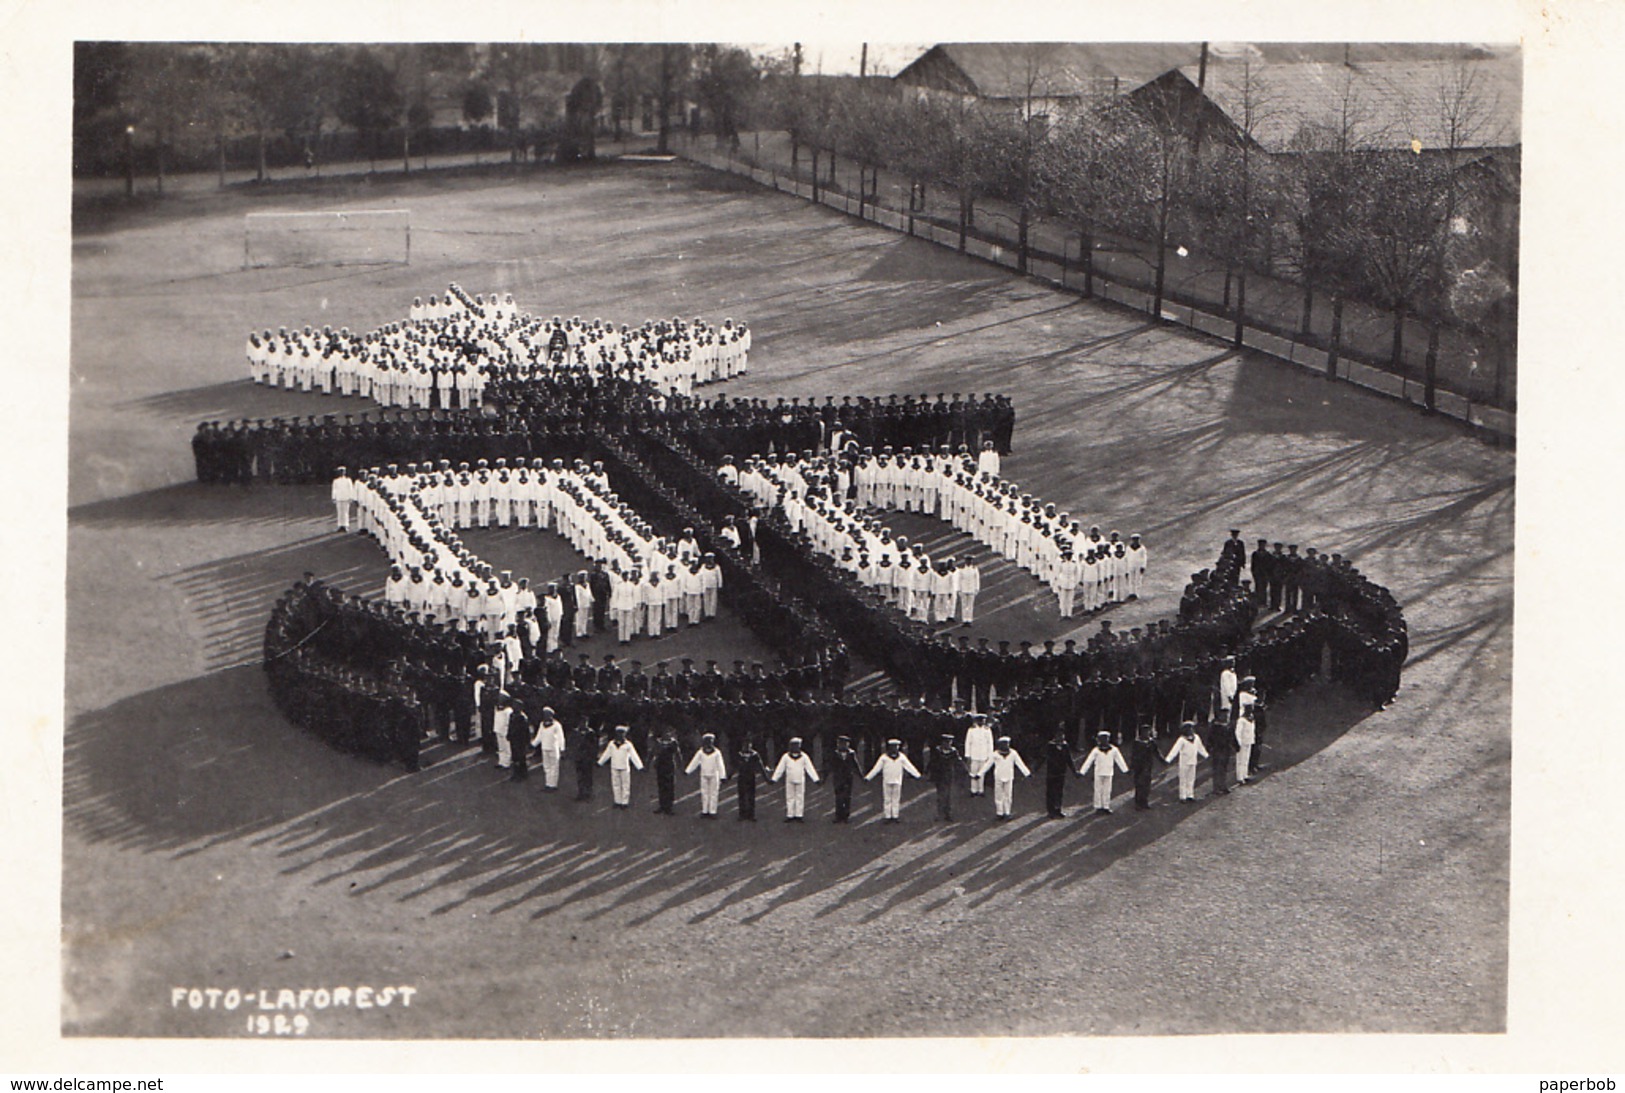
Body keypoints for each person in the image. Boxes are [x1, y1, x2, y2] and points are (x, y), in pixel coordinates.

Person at [865, 739, 922, 823]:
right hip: (887, 780)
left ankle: (895, 816)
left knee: (896, 798)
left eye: (896, 747)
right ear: (890, 747)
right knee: (887, 799)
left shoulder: (902, 757)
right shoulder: (884, 757)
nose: (895, 749)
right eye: (893, 747)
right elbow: (876, 768)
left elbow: (909, 766)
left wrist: (917, 775)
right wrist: (868, 777)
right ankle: (887, 816)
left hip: (897, 780)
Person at [1077, 731, 1129, 814]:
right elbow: (1088, 761)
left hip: (1109, 772)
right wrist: (1082, 772)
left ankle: (1106, 806)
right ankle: (1098, 806)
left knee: (1107, 790)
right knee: (1098, 790)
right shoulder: (1096, 750)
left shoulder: (1114, 750)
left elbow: (1120, 760)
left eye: (1106, 738)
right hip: (1098, 773)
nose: (1104, 741)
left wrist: (1125, 770)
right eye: (1102, 739)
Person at [980, 736, 1031, 820]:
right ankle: (999, 813)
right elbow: (988, 764)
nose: (1006, 745)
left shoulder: (1013, 753)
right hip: (998, 777)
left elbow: (1020, 763)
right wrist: (980, 773)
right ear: (1000, 745)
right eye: (1004, 744)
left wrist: (1027, 773)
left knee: (1008, 795)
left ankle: (1007, 812)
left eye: (1007, 744)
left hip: (1009, 776)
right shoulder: (995, 754)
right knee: (998, 795)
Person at [770, 737, 820, 822]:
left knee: (800, 797)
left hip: (800, 779)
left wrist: (816, 779)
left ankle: (799, 815)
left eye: (797, 745)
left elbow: (810, 768)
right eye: (793, 745)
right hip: (789, 780)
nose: (795, 747)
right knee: (790, 797)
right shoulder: (786, 757)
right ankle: (790, 815)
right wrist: (774, 778)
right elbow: (780, 768)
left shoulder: (804, 757)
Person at [597, 725, 644, 808]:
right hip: (614, 766)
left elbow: (634, 756)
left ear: (625, 734)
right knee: (615, 784)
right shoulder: (612, 744)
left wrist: (639, 766)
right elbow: (607, 754)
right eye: (619, 733)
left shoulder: (628, 745)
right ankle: (617, 801)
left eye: (622, 733)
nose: (620, 735)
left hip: (624, 767)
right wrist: (600, 762)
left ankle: (624, 802)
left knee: (625, 784)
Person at [684, 733, 727, 818]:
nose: (709, 743)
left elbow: (720, 765)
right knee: (704, 793)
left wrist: (722, 776)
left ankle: (712, 811)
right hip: (704, 775)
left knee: (714, 793)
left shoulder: (717, 753)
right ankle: (705, 810)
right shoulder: (700, 752)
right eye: (707, 741)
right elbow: (695, 762)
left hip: (714, 775)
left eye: (710, 741)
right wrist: (688, 771)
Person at [1164, 721, 1209, 802]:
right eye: (1189, 729)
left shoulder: (1196, 738)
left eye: (1192, 728)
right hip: (1184, 763)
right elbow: (1175, 750)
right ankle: (1182, 796)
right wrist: (1168, 759)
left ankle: (1190, 795)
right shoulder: (1181, 740)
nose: (1191, 730)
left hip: (1193, 761)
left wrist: (1206, 755)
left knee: (1191, 779)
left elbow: (1200, 748)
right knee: (1183, 779)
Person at [925, 733, 965, 822]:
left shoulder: (954, 751)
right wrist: (928, 772)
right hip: (939, 775)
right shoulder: (937, 751)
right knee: (940, 795)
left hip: (948, 775)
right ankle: (940, 813)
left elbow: (959, 762)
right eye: (946, 742)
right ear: (943, 742)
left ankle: (947, 814)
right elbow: (932, 761)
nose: (948, 744)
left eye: (950, 742)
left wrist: (965, 770)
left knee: (948, 795)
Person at [827, 735, 864, 823]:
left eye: (845, 743)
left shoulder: (851, 753)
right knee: (838, 797)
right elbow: (829, 766)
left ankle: (846, 815)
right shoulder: (835, 754)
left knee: (847, 797)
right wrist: (824, 777)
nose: (842, 745)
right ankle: (838, 816)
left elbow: (856, 765)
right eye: (840, 743)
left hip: (848, 778)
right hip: (838, 778)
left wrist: (861, 776)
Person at [529, 706, 565, 790]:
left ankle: (553, 785)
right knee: (546, 766)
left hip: (553, 748)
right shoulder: (542, 724)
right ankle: (548, 783)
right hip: (544, 748)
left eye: (547, 714)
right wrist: (533, 744)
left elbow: (561, 738)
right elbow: (539, 736)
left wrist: (562, 748)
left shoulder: (557, 725)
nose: (545, 716)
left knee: (554, 766)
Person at [734, 739, 770, 821]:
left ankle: (751, 814)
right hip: (742, 778)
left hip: (751, 777)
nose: (747, 747)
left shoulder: (755, 755)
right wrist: (728, 777)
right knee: (742, 796)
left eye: (748, 745)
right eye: (745, 746)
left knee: (751, 796)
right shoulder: (739, 755)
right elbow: (735, 767)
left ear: (751, 746)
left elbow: (761, 767)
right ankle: (742, 814)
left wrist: (766, 778)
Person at [1042, 729, 1072, 819]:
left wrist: (1075, 771)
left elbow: (1069, 759)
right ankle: (1050, 811)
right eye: (1059, 736)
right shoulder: (1050, 746)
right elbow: (1043, 758)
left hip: (1061, 773)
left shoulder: (1065, 746)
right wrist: (1033, 770)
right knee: (1050, 792)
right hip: (1051, 773)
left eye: (1062, 736)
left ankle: (1058, 809)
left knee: (1059, 792)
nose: (1061, 738)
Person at [651, 727, 682, 814]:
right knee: (661, 786)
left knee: (670, 787)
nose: (667, 734)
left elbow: (678, 755)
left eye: (669, 732)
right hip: (660, 766)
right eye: (666, 732)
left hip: (669, 767)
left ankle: (669, 807)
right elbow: (653, 753)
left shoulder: (673, 743)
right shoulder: (658, 742)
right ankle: (662, 805)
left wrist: (681, 767)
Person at [963, 713, 995, 797]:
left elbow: (990, 743)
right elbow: (968, 743)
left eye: (983, 720)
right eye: (979, 720)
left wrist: (990, 755)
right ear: (976, 721)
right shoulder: (971, 730)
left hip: (983, 754)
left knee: (982, 772)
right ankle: (974, 790)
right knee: (973, 771)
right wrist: (968, 755)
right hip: (974, 754)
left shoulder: (987, 730)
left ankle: (981, 790)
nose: (981, 722)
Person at [1129, 722, 1159, 810]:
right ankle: (1138, 803)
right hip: (1139, 766)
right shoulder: (1137, 742)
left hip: (1148, 766)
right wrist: (1132, 767)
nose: (1147, 733)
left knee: (1147, 785)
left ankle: (1144, 801)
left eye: (1148, 731)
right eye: (1145, 731)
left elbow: (1156, 752)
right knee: (1139, 784)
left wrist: (1163, 761)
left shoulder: (1151, 741)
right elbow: (1133, 755)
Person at [504, 696, 531, 782]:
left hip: (520, 740)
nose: (513, 706)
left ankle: (522, 774)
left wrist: (527, 741)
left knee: (521, 757)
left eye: (515, 705)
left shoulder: (523, 717)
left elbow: (526, 731)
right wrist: (508, 734)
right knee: (515, 757)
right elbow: (510, 725)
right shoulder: (512, 715)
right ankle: (516, 773)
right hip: (513, 739)